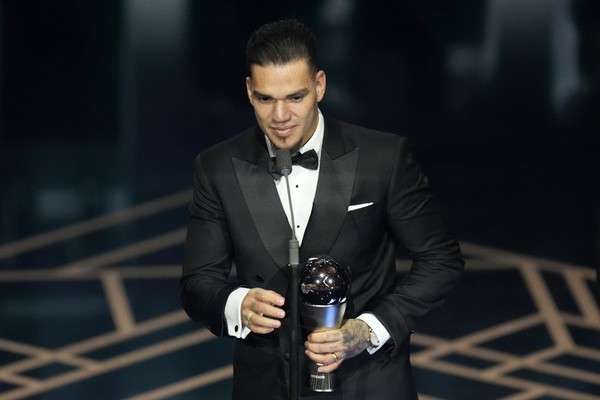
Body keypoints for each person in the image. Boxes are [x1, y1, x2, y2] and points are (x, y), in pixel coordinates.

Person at [181, 19, 464, 400]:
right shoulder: (217, 167)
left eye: (295, 97)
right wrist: (237, 305)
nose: (280, 116)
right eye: (266, 99)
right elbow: (198, 282)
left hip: (367, 385)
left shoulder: (383, 159)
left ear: (319, 86)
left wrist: (367, 329)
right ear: (249, 91)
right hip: (265, 387)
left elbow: (441, 260)